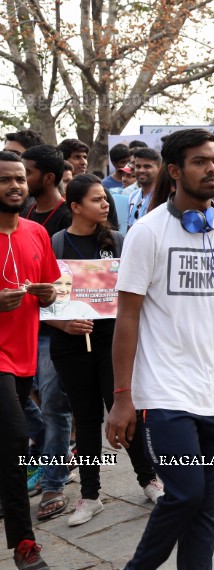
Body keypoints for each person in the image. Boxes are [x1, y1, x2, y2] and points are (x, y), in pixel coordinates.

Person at [105, 128, 214, 569]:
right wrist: (122, 397)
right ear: (175, 171)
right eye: (201, 161)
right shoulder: (147, 233)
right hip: (165, 392)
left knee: (208, 509)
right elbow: (126, 318)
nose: (213, 169)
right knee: (185, 493)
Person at [44, 175, 161, 526]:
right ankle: (90, 495)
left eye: (105, 199)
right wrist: (62, 323)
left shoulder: (119, 242)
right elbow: (44, 298)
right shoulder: (56, 244)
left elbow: (137, 291)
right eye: (95, 200)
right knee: (87, 416)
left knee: (124, 410)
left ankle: (149, 478)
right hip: (69, 344)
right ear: (75, 206)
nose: (105, 204)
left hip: (113, 341)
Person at [0, 150, 58, 570]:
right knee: (16, 439)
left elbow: (53, 286)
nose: (15, 186)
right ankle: (24, 543)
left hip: (24, 357)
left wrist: (48, 294)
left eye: (20, 178)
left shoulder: (36, 233)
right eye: (5, 180)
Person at [18, 145, 74, 522]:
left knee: (56, 408)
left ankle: (53, 480)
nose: (19, 181)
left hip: (58, 330)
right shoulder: (20, 214)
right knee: (19, 402)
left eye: (25, 174)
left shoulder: (69, 214)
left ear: (47, 178)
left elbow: (75, 279)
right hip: (22, 328)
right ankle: (49, 456)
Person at [127, 148, 161, 230]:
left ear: (159, 168)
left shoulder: (163, 196)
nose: (141, 170)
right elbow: (129, 226)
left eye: (147, 166)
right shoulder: (133, 196)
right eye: (138, 166)